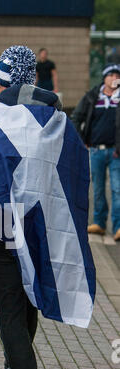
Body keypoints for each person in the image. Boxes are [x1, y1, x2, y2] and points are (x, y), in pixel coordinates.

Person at [0, 46, 95, 369]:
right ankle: (15, 368)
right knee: (29, 294)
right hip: (41, 221)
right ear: (34, 79)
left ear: (1, 82)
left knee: (8, 303)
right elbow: (74, 171)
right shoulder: (58, 121)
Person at [71, 64, 120, 241]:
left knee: (117, 189)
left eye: (118, 75)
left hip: (117, 152)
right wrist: (80, 140)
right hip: (96, 150)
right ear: (104, 78)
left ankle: (118, 226)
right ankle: (99, 223)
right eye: (111, 74)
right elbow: (76, 117)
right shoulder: (93, 96)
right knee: (98, 188)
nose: (115, 78)